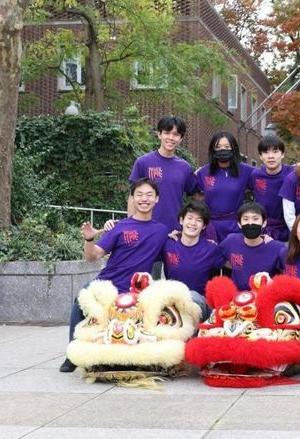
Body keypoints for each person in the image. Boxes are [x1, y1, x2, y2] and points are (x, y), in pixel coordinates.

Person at [60, 178, 169, 373]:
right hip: (108, 284)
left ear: (157, 199)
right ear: (133, 199)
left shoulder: (162, 231)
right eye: (139, 195)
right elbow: (92, 257)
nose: (144, 199)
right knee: (81, 298)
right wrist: (89, 238)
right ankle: (72, 354)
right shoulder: (120, 227)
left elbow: (173, 250)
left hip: (136, 290)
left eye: (149, 195)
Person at [128, 116, 197, 231]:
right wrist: (131, 226)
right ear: (159, 134)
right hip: (146, 230)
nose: (171, 137)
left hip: (174, 232)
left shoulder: (185, 168)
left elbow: (196, 195)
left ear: (181, 138)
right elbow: (132, 196)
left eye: (176, 134)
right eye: (167, 133)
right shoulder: (143, 162)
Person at [162, 200, 225, 318]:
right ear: (181, 220)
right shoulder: (168, 244)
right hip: (172, 300)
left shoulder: (211, 249)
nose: (193, 223)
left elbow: (234, 260)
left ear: (204, 226)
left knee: (191, 297)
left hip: (198, 302)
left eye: (199, 220)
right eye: (189, 218)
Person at [195, 132, 254, 242]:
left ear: (234, 148)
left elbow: (266, 179)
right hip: (210, 228)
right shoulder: (203, 172)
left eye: (227, 147)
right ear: (213, 150)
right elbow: (196, 197)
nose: (223, 150)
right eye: (218, 147)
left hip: (235, 228)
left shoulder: (246, 171)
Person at [219, 202, 286, 291]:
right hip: (237, 298)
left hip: (265, 297)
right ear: (239, 224)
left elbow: (289, 276)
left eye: (255, 219)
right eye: (245, 219)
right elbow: (215, 257)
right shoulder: (230, 241)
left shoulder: (278, 248)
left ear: (264, 223)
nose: (250, 223)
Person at [252, 134, 295, 242]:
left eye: (275, 151)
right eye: (266, 152)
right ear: (260, 156)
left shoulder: (292, 173)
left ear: (282, 154)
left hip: (288, 230)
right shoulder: (255, 175)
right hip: (261, 231)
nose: (271, 156)